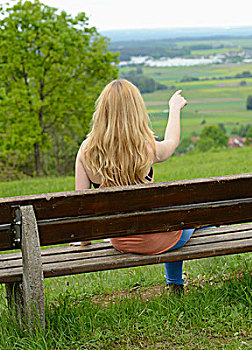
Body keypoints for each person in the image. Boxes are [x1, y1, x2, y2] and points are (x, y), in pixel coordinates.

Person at [73, 79, 192, 294]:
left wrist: (83, 242)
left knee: (174, 220)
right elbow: (171, 143)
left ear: (102, 111)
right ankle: (175, 284)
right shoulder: (144, 147)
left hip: (121, 241)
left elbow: (82, 209)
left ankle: (175, 283)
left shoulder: (86, 152)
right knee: (187, 217)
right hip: (160, 237)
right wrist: (174, 108)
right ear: (136, 109)